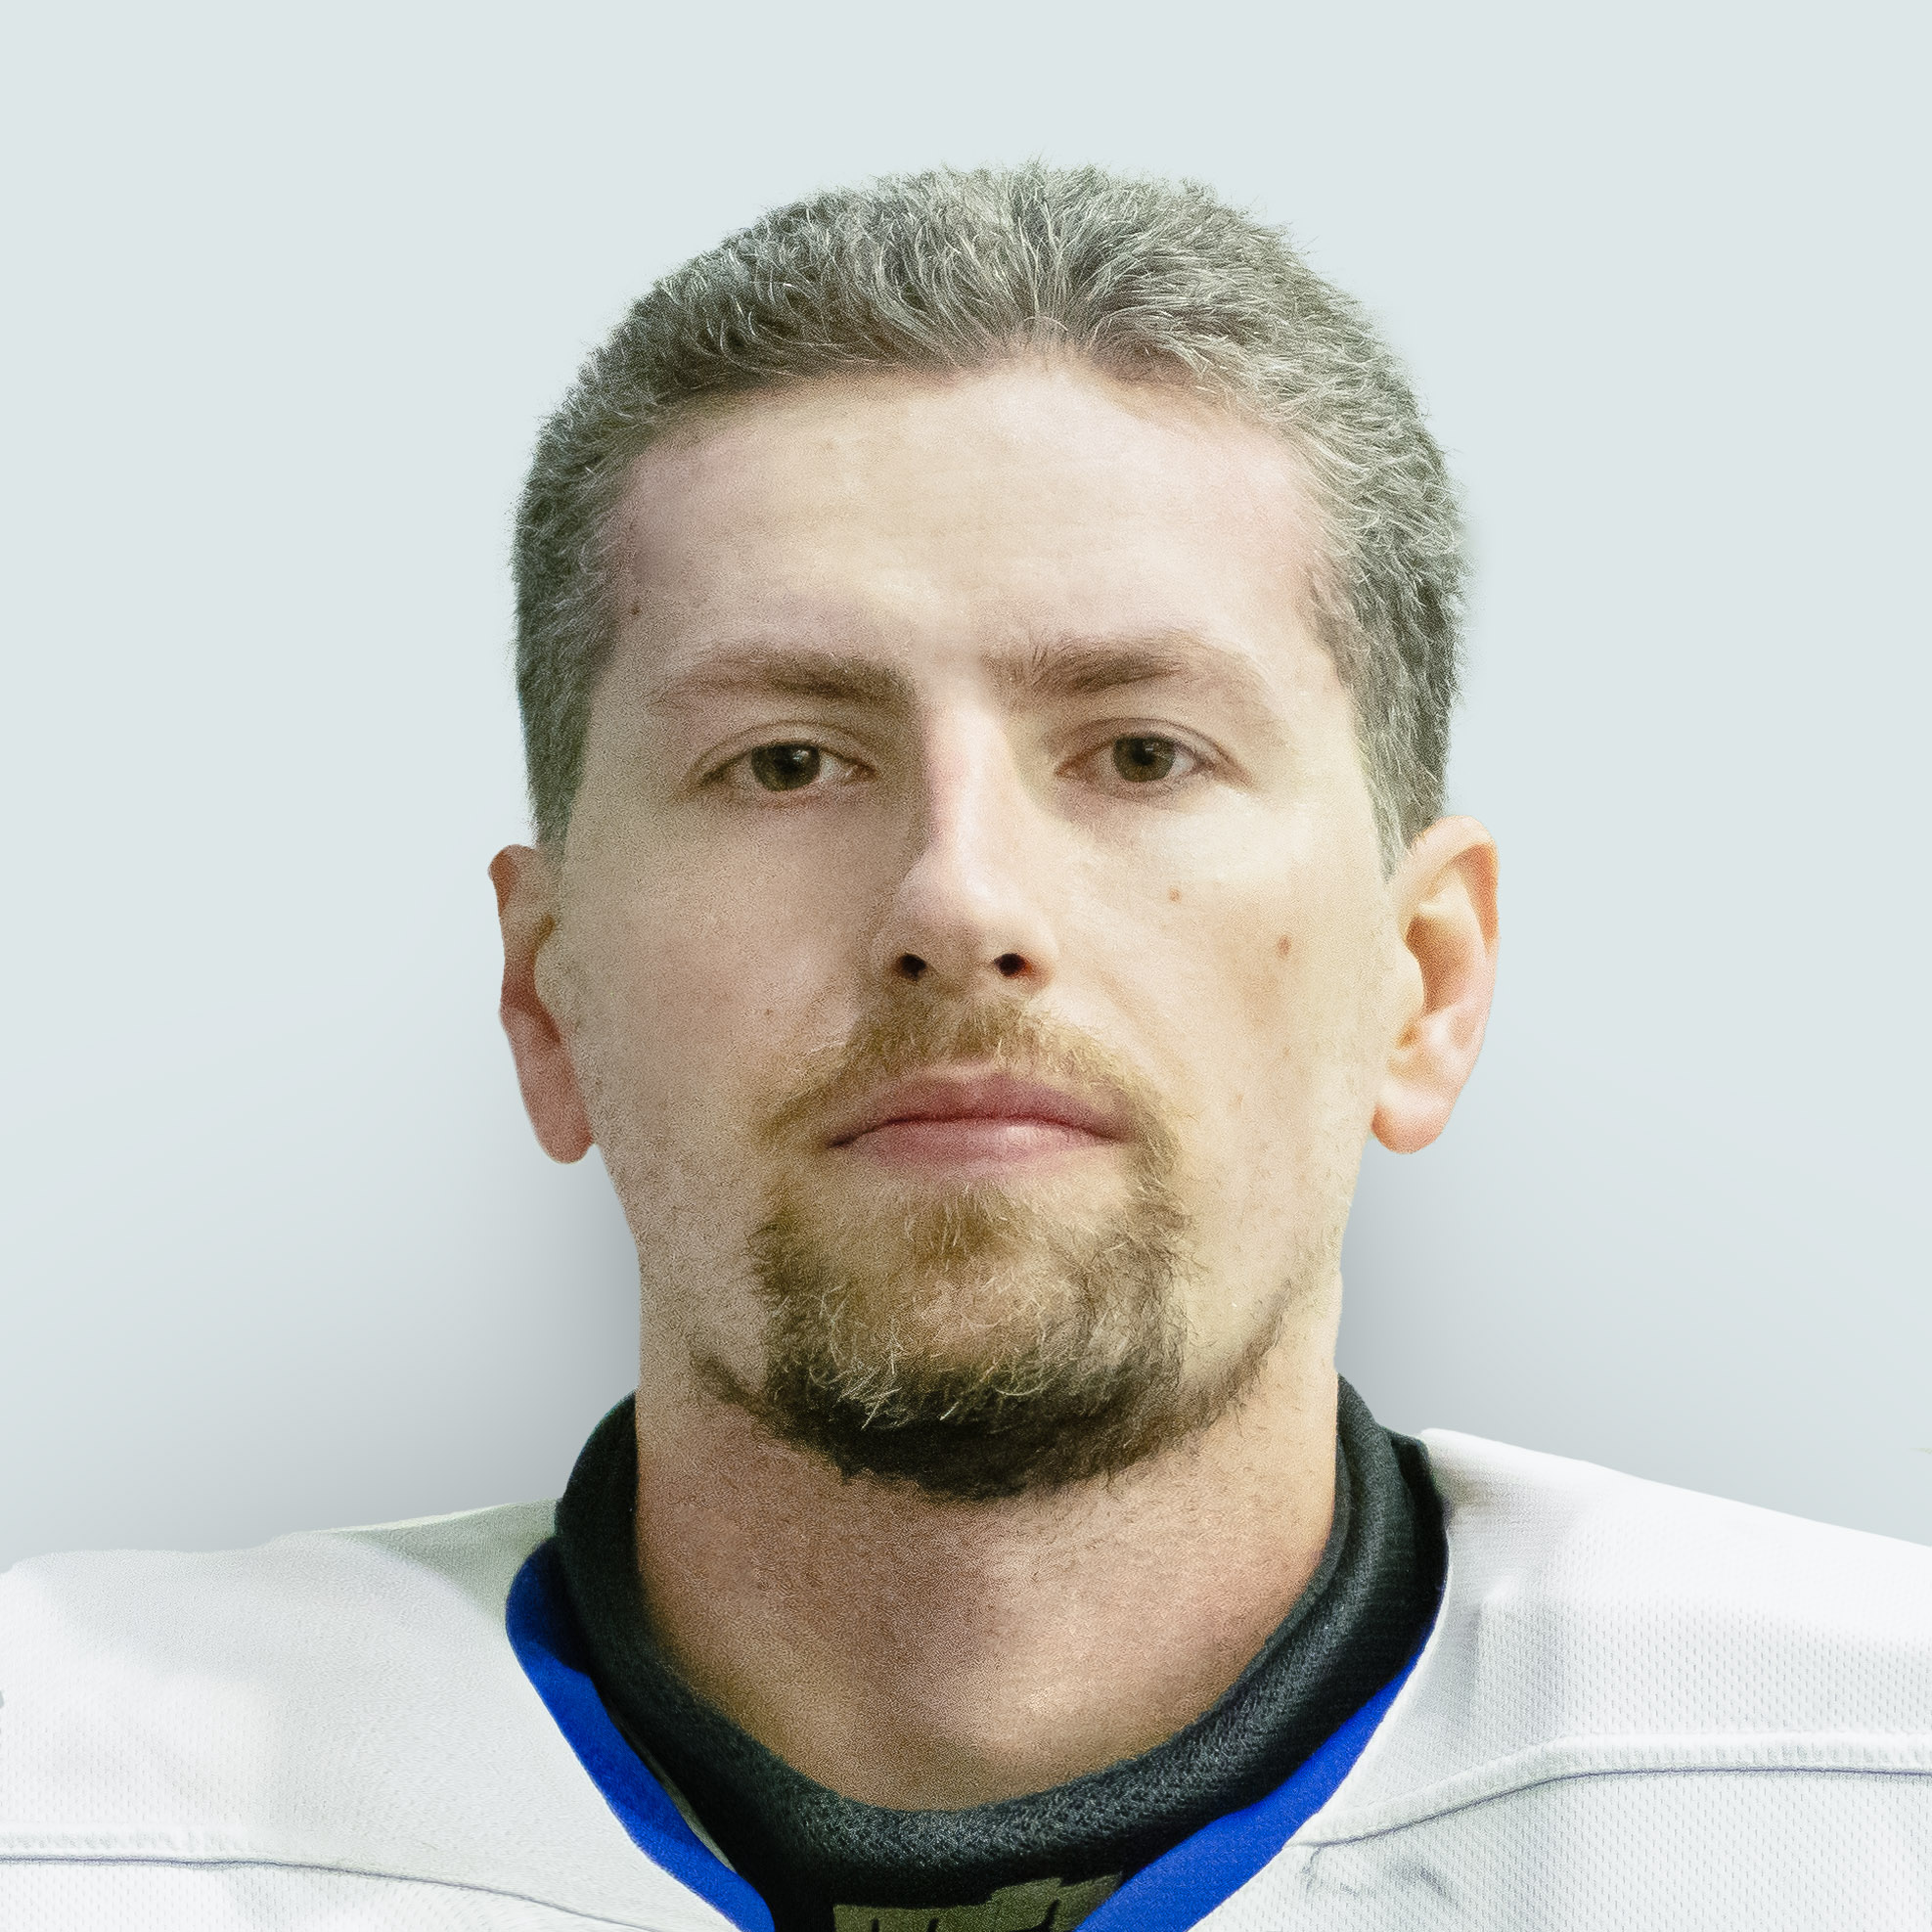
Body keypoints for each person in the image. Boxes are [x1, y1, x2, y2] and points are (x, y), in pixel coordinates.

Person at [3, 164, 1927, 1932]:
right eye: (787, 761)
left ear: (1420, 985)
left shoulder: (1865, 1807)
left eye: (1143, 751)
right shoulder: (63, 1819)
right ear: (546, 997)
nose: (959, 897)